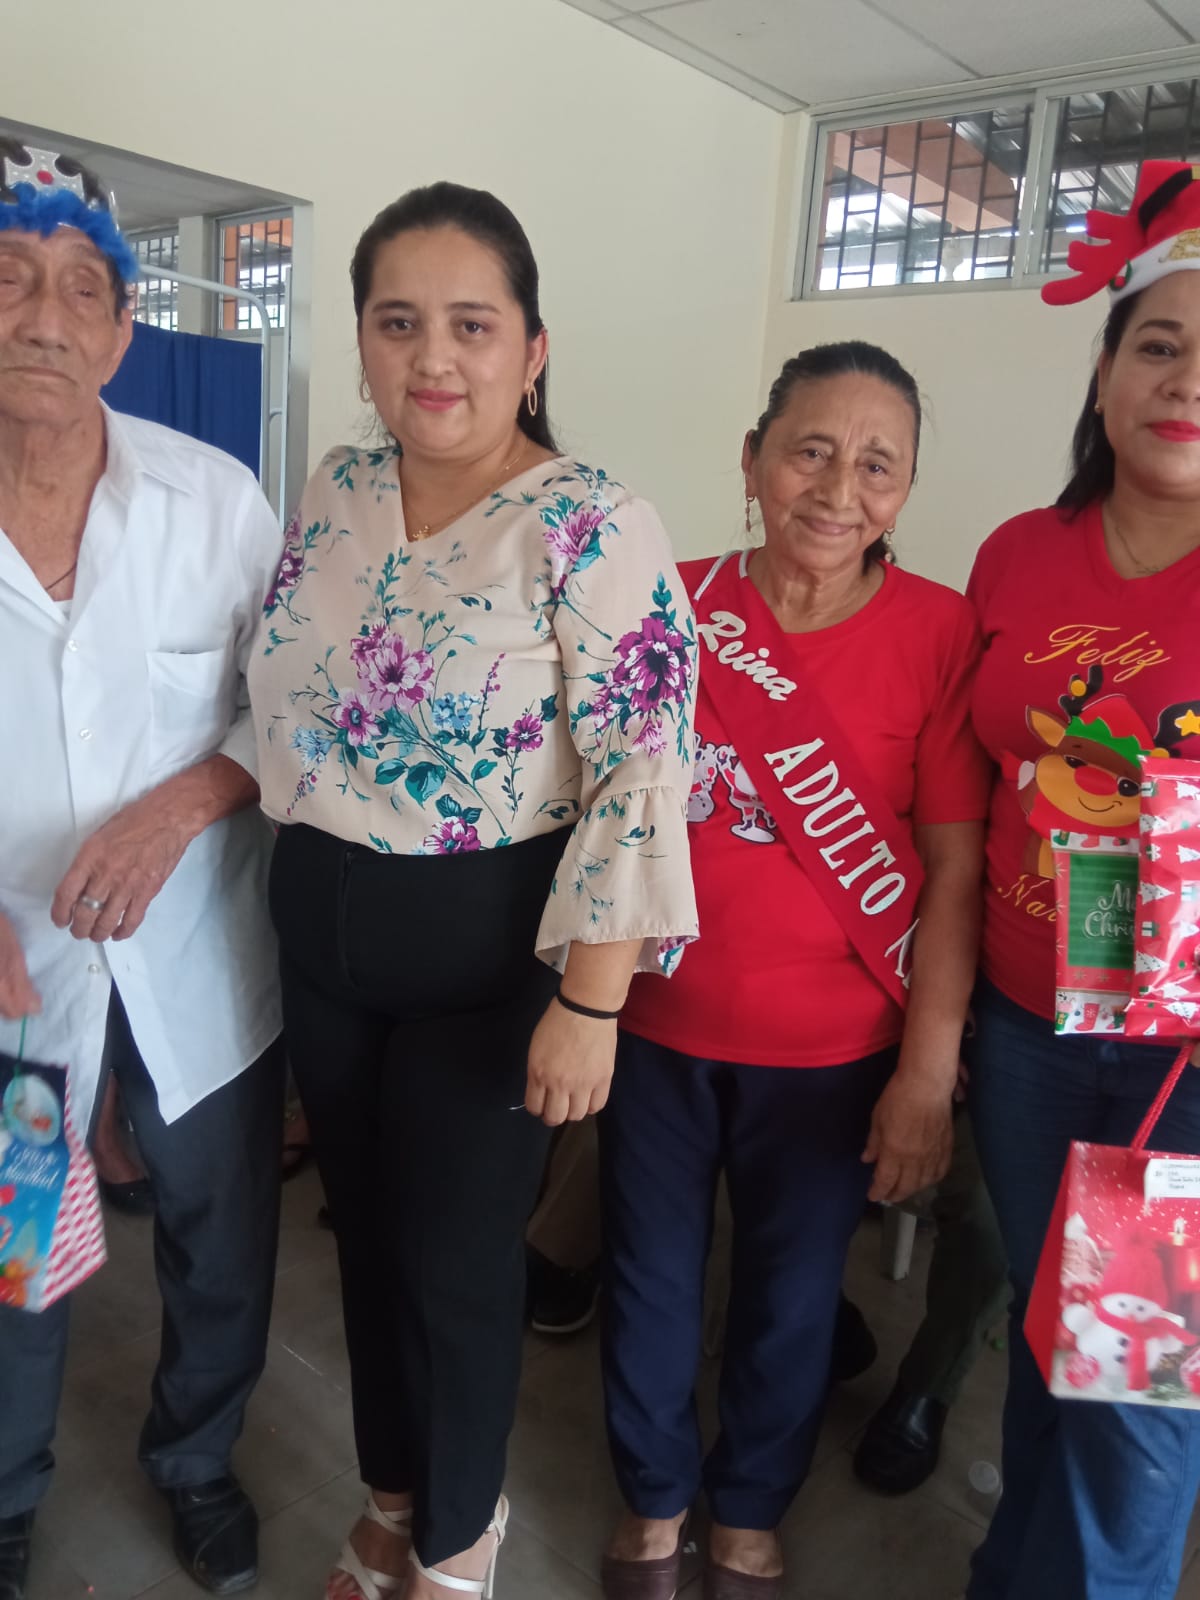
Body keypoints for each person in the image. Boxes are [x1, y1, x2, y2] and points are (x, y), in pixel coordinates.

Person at [247, 181, 698, 1600]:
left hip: (489, 955)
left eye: (471, 324)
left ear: (533, 348)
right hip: (324, 932)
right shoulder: (336, 487)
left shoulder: (591, 523)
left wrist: (594, 1003)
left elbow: (642, 771)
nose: (432, 357)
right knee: (365, 1242)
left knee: (453, 1263)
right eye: (398, 323)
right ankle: (391, 1494)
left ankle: (455, 1540)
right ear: (362, 341)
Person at [602, 341, 992, 1600]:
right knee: (650, 1281)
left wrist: (926, 1071)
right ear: (754, 458)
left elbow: (953, 869)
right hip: (654, 1028)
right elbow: (603, 809)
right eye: (810, 450)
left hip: (835, 1050)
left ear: (907, 488)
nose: (838, 489)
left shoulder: (938, 631)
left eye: (878, 465)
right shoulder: (671, 599)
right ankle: (653, 1500)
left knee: (791, 1298)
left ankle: (750, 1510)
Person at [0, 142, 285, 1600]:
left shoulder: (214, 502)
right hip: (14, 990)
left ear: (121, 333)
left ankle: (197, 1460)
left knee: (220, 1242)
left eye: (79, 290)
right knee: (13, 1257)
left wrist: (182, 803)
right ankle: (6, 1490)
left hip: (198, 962)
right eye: (8, 279)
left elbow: (293, 710)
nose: (42, 318)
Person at [965, 160, 1200, 1600]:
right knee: (1045, 1316)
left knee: (1132, 1377)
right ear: (1105, 375)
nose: (1186, 381)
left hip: (1177, 1051)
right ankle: (1020, 1573)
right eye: (1158, 344)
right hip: (1026, 1019)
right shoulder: (1018, 554)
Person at [851, 1110, 1009, 1494]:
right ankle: (823, 1321)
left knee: (993, 1211)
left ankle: (929, 1380)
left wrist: (930, 1079)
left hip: (1019, 1091)